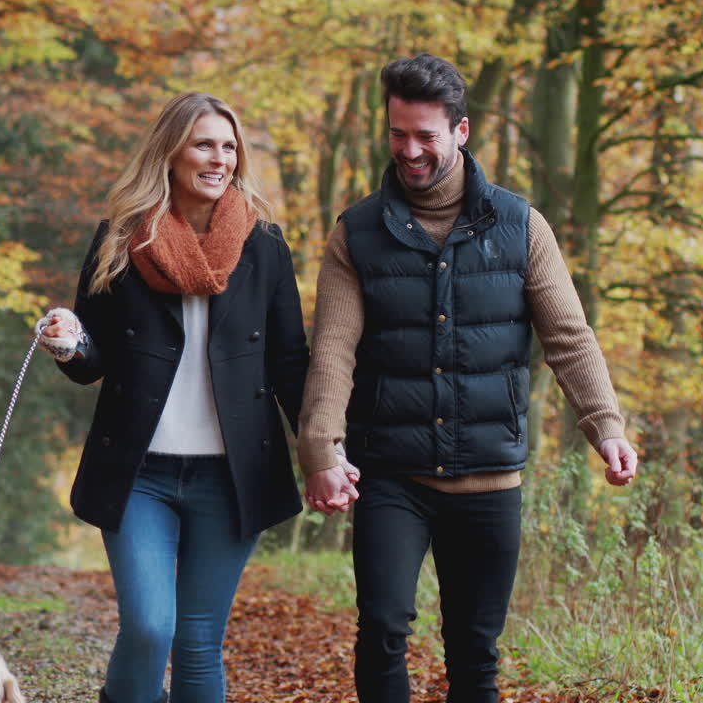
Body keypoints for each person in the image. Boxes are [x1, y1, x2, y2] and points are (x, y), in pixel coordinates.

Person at [296, 53, 640, 703]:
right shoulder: (358, 235)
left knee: (475, 653)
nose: (410, 150)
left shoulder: (519, 227)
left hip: (489, 474)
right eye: (398, 134)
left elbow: (569, 336)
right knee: (383, 629)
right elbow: (334, 350)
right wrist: (321, 449)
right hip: (391, 473)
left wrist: (606, 428)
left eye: (425, 135)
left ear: (461, 130)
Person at [34, 91, 309, 703]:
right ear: (170, 151)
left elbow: (290, 362)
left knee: (198, 642)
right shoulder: (119, 240)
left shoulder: (264, 245)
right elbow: (91, 361)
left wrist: (325, 451)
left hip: (234, 474)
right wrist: (68, 342)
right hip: (139, 475)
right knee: (150, 627)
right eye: (204, 144)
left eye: (230, 146)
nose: (220, 159)